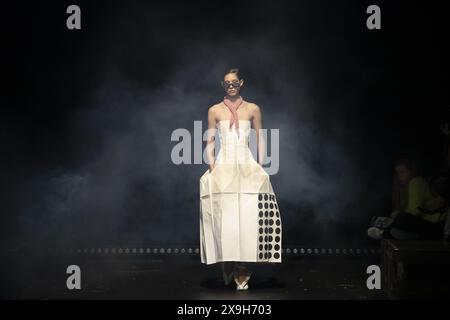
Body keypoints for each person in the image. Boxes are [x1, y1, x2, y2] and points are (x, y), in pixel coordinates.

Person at [199, 68, 282, 290]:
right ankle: (228, 260)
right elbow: (209, 141)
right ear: (223, 85)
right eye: (227, 83)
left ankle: (243, 265)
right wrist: (213, 166)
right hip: (224, 165)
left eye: (234, 82)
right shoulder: (215, 110)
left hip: (246, 165)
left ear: (241, 83)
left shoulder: (253, 109)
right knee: (225, 216)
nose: (231, 85)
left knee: (246, 217)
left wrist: (261, 164)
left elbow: (260, 137)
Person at [368, 159, 447, 240]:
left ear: (412, 171)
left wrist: (396, 217)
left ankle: (384, 232)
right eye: (397, 173)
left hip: (436, 226)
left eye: (402, 172)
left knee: (403, 218)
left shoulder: (416, 181)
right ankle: (392, 231)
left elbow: (414, 212)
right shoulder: (414, 183)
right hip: (434, 227)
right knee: (399, 223)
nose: (399, 176)